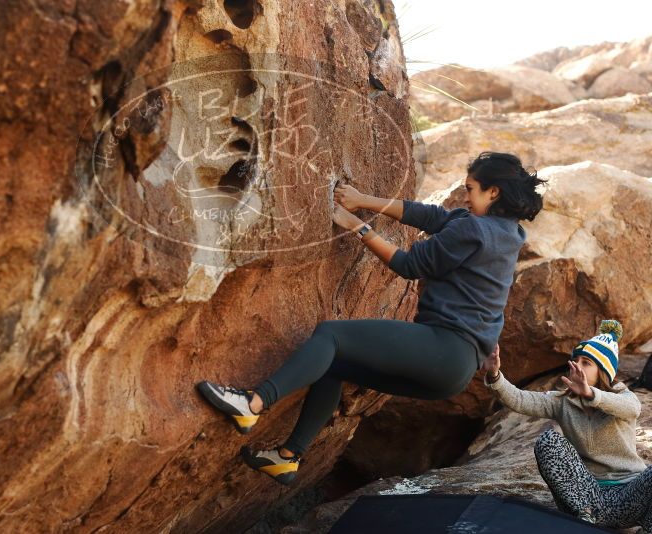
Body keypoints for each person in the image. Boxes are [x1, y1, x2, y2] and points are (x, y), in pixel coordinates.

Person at [197, 151, 545, 485]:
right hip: (455, 370)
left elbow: (410, 265)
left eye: (470, 189)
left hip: (445, 348)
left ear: (493, 191)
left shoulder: (474, 230)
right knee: (333, 365)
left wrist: (357, 225)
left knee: (331, 336)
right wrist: (364, 199)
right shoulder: (508, 232)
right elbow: (432, 217)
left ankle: (252, 403)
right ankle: (287, 457)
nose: (466, 196)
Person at [483, 320, 651, 533]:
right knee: (548, 441)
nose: (576, 366)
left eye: (586, 362)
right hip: (587, 500)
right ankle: (583, 522)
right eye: (575, 360)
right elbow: (519, 399)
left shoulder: (621, 397)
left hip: (629, 497)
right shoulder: (562, 401)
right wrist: (495, 375)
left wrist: (591, 394)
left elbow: (632, 409)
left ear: (603, 372)